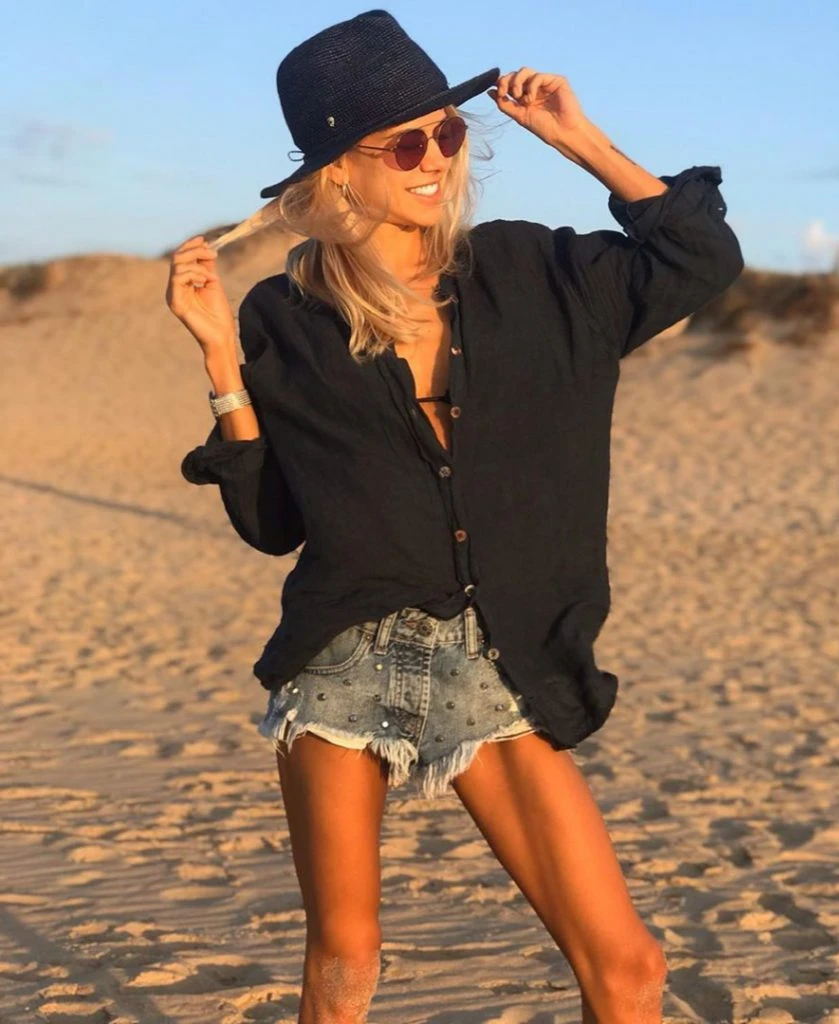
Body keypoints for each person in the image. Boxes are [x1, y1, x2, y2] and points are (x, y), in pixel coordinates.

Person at [166, 10, 743, 1023]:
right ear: (339, 171)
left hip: (497, 656)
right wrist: (220, 357)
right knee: (345, 961)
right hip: (344, 654)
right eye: (404, 143)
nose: (435, 157)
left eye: (447, 131)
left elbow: (699, 259)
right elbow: (271, 521)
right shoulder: (285, 318)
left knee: (629, 968)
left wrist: (581, 141)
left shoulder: (540, 274)